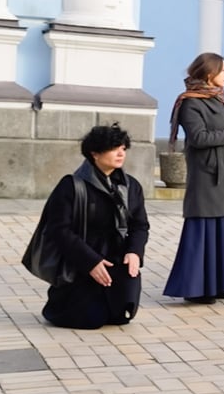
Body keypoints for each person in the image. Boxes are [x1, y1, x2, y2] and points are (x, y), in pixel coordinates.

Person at [163, 53, 224, 303]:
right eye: (223, 70)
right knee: (204, 230)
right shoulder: (190, 102)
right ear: (209, 73)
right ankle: (196, 289)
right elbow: (199, 138)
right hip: (208, 176)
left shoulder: (218, 97)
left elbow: (221, 132)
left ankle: (218, 284)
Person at [36, 124, 149, 329]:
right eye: (114, 148)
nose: (120, 153)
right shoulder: (72, 186)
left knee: (120, 317)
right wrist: (90, 262)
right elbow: (59, 230)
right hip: (82, 261)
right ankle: (61, 304)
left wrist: (134, 252)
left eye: (123, 148)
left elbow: (140, 225)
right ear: (94, 153)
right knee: (90, 320)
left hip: (116, 260)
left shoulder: (130, 186)